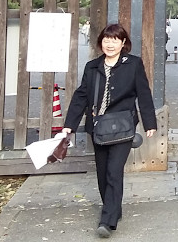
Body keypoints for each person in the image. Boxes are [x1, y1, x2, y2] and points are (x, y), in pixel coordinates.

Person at [61, 23, 157, 238]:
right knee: (103, 173)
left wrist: (149, 123)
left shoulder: (133, 64)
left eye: (115, 40)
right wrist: (70, 124)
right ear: (100, 42)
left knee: (114, 170)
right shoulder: (92, 67)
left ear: (123, 43)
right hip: (98, 127)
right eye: (106, 39)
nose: (110, 44)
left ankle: (108, 220)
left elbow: (143, 93)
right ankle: (114, 208)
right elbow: (81, 96)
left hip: (123, 126)